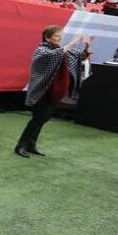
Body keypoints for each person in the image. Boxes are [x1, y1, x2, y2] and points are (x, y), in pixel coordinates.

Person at [15, 26, 92, 158]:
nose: (59, 38)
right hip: (43, 90)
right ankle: (21, 146)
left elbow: (78, 56)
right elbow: (54, 55)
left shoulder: (59, 50)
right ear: (47, 37)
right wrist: (73, 43)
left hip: (55, 91)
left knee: (44, 118)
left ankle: (31, 145)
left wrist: (86, 46)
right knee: (38, 119)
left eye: (60, 36)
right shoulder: (41, 50)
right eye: (57, 36)